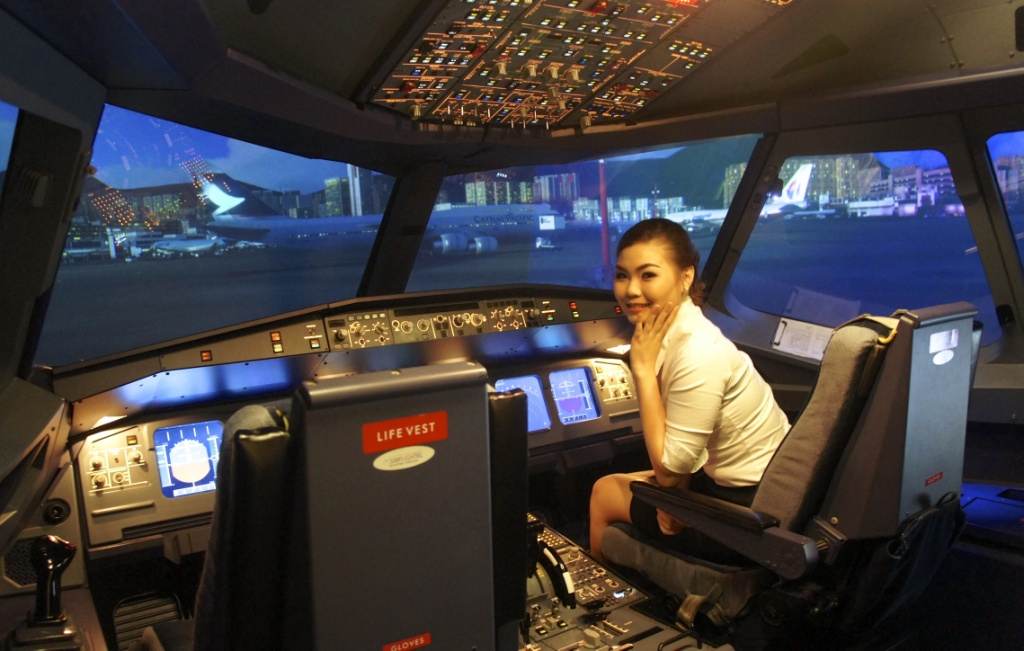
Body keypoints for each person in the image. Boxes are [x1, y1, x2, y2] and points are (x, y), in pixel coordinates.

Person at [588, 218, 790, 564]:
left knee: (604, 492)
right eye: (622, 275)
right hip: (747, 486)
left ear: (685, 276)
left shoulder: (697, 352)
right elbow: (682, 448)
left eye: (648, 275)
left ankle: (598, 595)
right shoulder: (676, 333)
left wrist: (642, 370)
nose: (631, 290)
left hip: (752, 514)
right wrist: (676, 493)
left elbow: (669, 473)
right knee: (622, 480)